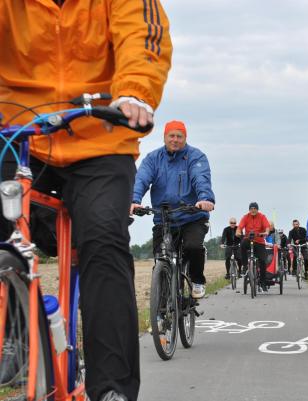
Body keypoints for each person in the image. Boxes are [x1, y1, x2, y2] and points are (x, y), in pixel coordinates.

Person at [0, 2, 172, 401]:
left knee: (103, 239)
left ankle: (112, 388)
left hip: (100, 133)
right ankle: (14, 334)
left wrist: (135, 92)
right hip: (19, 130)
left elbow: (142, 36)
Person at [131, 120, 215, 299]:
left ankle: (197, 280)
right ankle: (163, 303)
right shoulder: (153, 159)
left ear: (185, 138)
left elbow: (200, 178)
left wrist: (205, 198)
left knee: (193, 247)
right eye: (171, 136)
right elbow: (142, 179)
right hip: (164, 217)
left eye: (179, 136)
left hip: (192, 215)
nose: (175, 140)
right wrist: (134, 200)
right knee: (160, 257)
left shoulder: (196, 157)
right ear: (164, 137)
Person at [236, 202, 270, 292]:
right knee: (242, 245)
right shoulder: (245, 217)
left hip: (259, 241)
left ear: (257, 209)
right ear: (249, 210)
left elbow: (267, 227)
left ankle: (263, 282)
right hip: (248, 239)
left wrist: (266, 232)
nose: (253, 210)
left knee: (263, 261)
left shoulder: (262, 216)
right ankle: (245, 266)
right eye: (251, 209)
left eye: (255, 208)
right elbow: (239, 227)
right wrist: (238, 232)